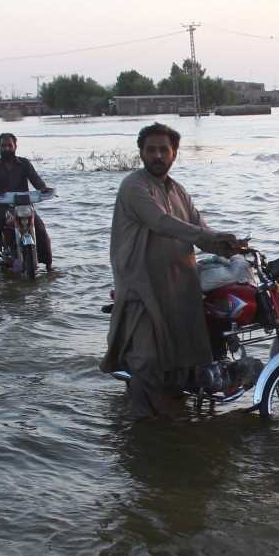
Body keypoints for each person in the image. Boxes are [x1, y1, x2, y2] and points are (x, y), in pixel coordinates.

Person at [101, 123, 243, 419]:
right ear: (140, 153)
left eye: (163, 149)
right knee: (147, 364)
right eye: (151, 149)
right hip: (143, 290)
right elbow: (160, 222)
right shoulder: (133, 186)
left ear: (174, 153)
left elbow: (200, 228)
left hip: (178, 290)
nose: (157, 155)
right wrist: (209, 238)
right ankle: (142, 441)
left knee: (182, 363)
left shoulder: (178, 190)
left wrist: (229, 246)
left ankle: (176, 432)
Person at [0, 133, 54, 277]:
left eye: (9, 145)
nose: (6, 148)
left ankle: (49, 266)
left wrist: (43, 188)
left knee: (41, 231)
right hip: (1, 207)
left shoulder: (24, 163)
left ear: (15, 146)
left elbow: (36, 180)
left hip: (24, 206)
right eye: (3, 146)